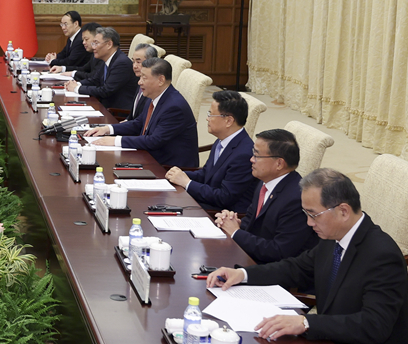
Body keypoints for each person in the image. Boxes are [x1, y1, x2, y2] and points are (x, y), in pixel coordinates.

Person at [207, 168, 408, 343]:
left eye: (313, 215)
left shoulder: (382, 256)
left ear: (343, 211)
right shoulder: (333, 236)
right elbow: (295, 268)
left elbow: (374, 325)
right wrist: (243, 274)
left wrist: (306, 322)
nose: (309, 223)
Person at [213, 128, 318, 264]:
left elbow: (279, 251)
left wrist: (236, 233)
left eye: (257, 155)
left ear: (279, 164)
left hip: (271, 269)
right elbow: (251, 221)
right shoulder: (265, 182)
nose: (251, 159)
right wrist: (235, 223)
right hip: (251, 257)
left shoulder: (297, 199)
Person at [84, 57, 198, 167]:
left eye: (144, 78)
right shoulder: (153, 97)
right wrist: (108, 129)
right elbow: (138, 123)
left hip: (168, 167)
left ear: (161, 80)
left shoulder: (174, 107)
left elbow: (154, 141)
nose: (139, 82)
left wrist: (116, 140)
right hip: (149, 157)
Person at [165, 90, 257, 213]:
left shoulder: (244, 154)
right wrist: (178, 174)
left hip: (222, 214)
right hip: (209, 202)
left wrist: (187, 183)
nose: (207, 118)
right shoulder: (222, 141)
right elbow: (206, 174)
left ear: (229, 121)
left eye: (211, 114)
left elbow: (224, 197)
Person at [64, 27, 138, 110]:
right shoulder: (106, 59)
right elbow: (95, 80)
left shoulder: (121, 63)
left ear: (109, 44)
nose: (93, 47)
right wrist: (76, 84)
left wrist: (77, 88)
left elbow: (105, 91)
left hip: (116, 112)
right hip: (104, 107)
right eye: (93, 43)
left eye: (96, 43)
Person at [125, 43, 159, 121]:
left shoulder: (153, 88)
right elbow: (134, 115)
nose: (134, 66)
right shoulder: (140, 80)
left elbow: (143, 120)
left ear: (151, 62)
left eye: (138, 62)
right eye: (133, 61)